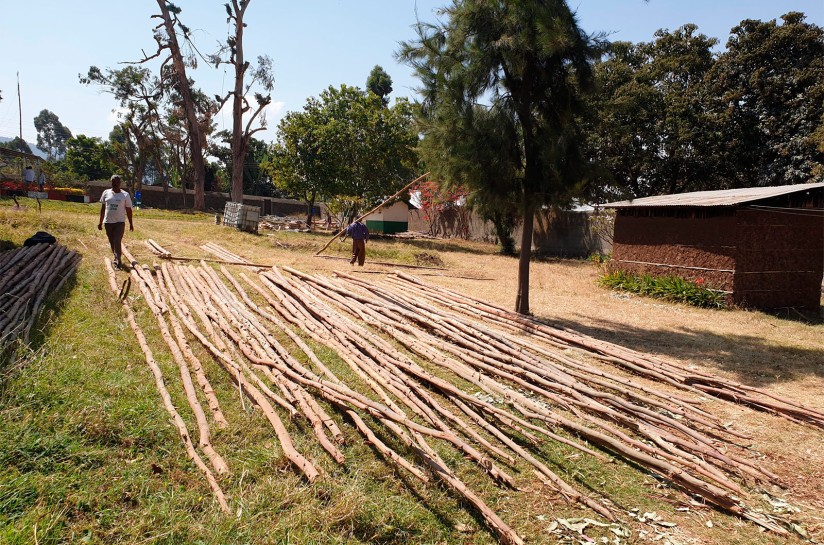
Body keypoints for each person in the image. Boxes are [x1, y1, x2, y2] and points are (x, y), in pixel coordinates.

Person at [98, 175, 133, 270]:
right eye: (113, 182)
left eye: (117, 182)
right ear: (111, 182)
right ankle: (116, 256)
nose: (115, 184)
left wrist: (131, 223)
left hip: (119, 223)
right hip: (108, 223)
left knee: (117, 241)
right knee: (112, 242)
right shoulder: (106, 192)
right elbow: (103, 208)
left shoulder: (125, 195)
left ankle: (118, 262)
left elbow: (129, 210)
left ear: (120, 183)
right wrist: (100, 222)